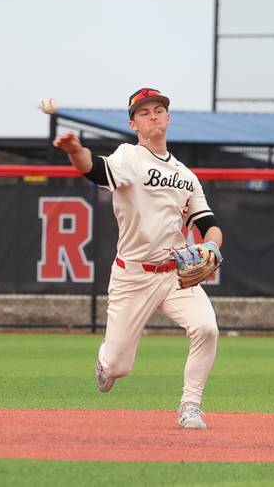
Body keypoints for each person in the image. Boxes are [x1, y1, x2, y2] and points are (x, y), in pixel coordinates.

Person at [52, 87, 222, 430]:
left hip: (174, 273)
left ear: (168, 118)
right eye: (144, 113)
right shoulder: (129, 157)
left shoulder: (187, 176)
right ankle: (105, 361)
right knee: (118, 368)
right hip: (132, 276)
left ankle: (190, 407)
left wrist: (212, 247)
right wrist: (74, 151)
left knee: (207, 328)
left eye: (159, 110)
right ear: (134, 124)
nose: (154, 115)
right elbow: (94, 168)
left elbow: (208, 225)